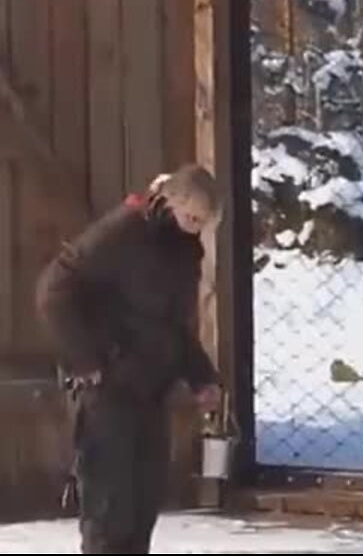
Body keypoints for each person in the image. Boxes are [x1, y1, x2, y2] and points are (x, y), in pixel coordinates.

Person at [35, 164, 224, 554]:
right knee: (109, 512)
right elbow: (54, 290)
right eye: (192, 218)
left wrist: (201, 376)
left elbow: (173, 326)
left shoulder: (183, 248)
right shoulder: (123, 232)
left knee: (142, 510)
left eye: (203, 224)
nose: (196, 228)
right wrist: (88, 358)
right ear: (171, 201)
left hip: (151, 394)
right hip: (109, 394)